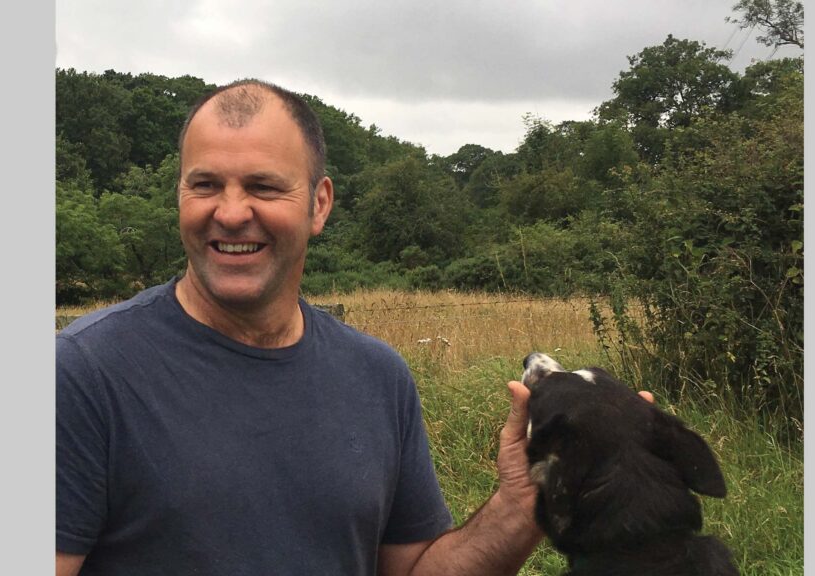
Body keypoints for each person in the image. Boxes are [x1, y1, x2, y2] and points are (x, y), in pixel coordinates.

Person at [56, 79, 546, 576]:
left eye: (263, 187)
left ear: (319, 203)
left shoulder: (378, 377)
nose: (229, 213)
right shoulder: (82, 374)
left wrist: (522, 503)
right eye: (204, 185)